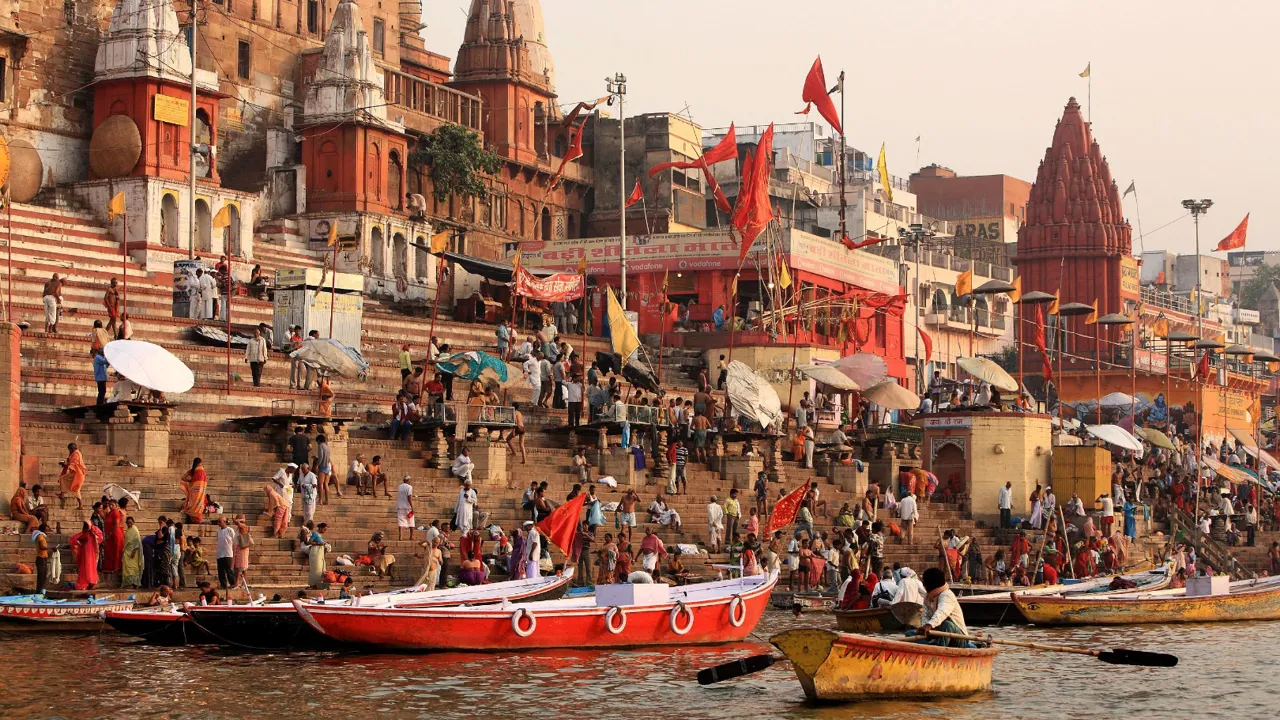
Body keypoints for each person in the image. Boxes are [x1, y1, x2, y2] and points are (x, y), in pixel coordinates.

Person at [918, 567, 969, 646]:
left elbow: (942, 612)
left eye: (925, 582)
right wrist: (925, 629)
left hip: (959, 638)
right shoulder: (928, 597)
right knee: (910, 633)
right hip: (937, 634)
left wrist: (929, 625)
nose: (923, 584)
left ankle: (938, 650)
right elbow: (925, 615)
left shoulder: (947, 595)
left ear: (930, 583)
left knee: (947, 624)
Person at [70, 521, 103, 590]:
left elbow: (100, 538)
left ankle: (91, 583)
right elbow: (74, 539)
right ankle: (87, 583)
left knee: (90, 568)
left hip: (91, 553)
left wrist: (93, 533)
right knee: (86, 568)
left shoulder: (94, 532)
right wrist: (79, 543)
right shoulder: (85, 533)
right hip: (85, 553)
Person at [57, 442, 86, 510]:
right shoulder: (75, 453)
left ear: (72, 449)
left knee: (74, 488)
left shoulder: (76, 454)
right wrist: (66, 462)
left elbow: (74, 464)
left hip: (77, 474)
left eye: (69, 450)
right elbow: (70, 462)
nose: (69, 451)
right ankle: (62, 494)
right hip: (76, 473)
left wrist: (65, 464)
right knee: (65, 481)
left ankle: (80, 504)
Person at [101, 497, 126, 574]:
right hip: (110, 535)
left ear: (116, 505)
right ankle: (110, 567)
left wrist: (110, 534)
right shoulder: (110, 513)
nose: (110, 506)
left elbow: (116, 525)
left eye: (112, 505)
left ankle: (116, 567)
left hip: (115, 534)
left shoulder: (115, 512)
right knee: (110, 551)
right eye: (110, 505)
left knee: (116, 551)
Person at [121, 516, 143, 587]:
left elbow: (138, 541)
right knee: (127, 569)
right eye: (127, 522)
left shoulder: (135, 530)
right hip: (127, 552)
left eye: (130, 522)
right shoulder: (128, 530)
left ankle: (134, 583)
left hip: (133, 553)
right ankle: (128, 583)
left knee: (133, 568)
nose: (129, 524)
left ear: (133, 522)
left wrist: (134, 551)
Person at [315, 434, 338, 503]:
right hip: (328, 467)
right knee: (326, 484)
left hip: (322, 466)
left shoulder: (320, 446)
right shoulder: (327, 447)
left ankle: (320, 500)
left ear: (319, 440)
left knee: (320, 483)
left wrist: (317, 465)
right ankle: (327, 500)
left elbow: (321, 457)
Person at [232, 515, 253, 590]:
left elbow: (237, 522)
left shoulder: (243, 526)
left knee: (242, 568)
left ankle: (242, 584)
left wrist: (236, 520)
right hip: (238, 549)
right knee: (237, 568)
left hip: (242, 549)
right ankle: (237, 584)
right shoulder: (239, 528)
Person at [307, 523, 328, 588]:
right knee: (315, 569)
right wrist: (319, 543)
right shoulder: (315, 533)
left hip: (320, 553)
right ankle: (313, 584)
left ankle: (318, 583)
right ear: (321, 528)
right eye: (324, 529)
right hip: (315, 553)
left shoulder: (320, 535)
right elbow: (309, 542)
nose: (324, 531)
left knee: (320, 569)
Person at [397, 475, 416, 540]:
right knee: (411, 521)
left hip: (400, 506)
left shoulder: (399, 486)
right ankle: (411, 536)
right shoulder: (409, 487)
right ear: (408, 480)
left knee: (401, 522)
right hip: (407, 506)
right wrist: (412, 507)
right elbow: (409, 497)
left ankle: (400, 536)